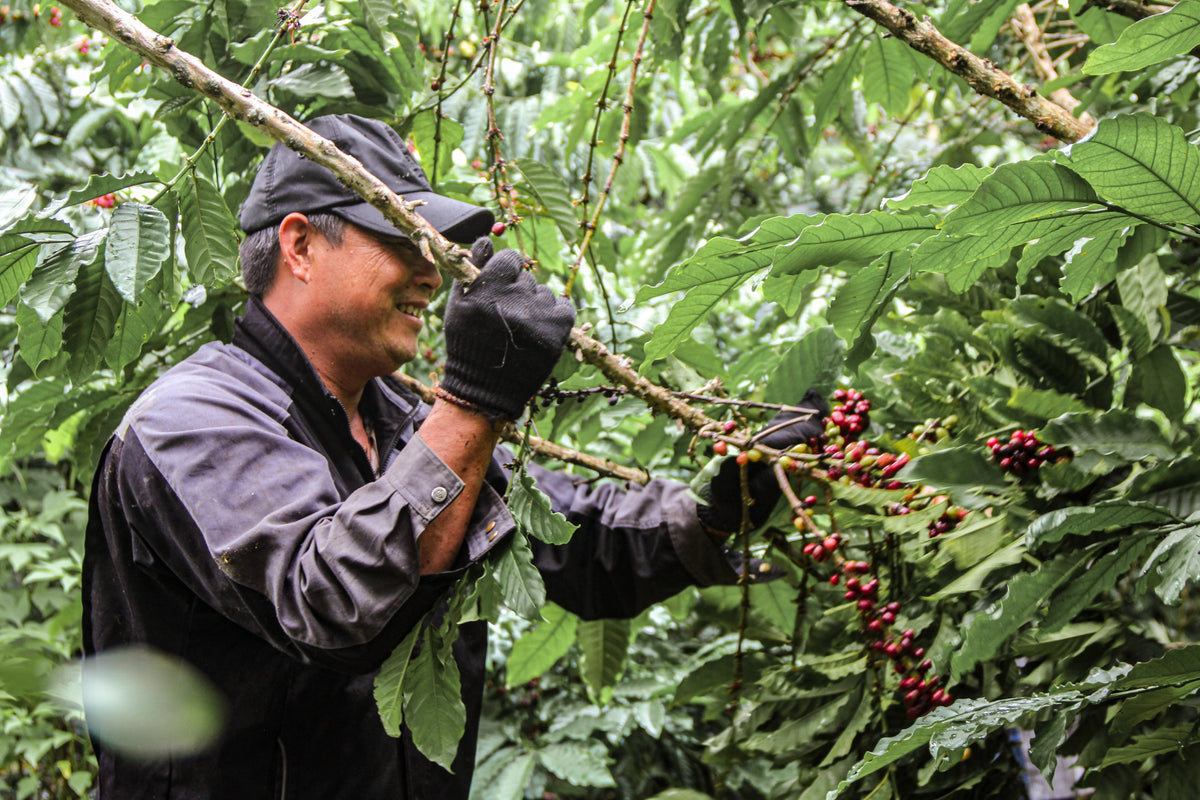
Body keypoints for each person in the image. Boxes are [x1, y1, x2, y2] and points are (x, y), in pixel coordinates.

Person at [82, 114, 824, 799]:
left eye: (431, 247)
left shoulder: (398, 415)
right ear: (300, 245)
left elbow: (571, 537)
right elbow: (331, 603)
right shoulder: (190, 420)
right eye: (401, 241)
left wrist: (717, 506)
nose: (432, 273)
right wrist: (473, 402)